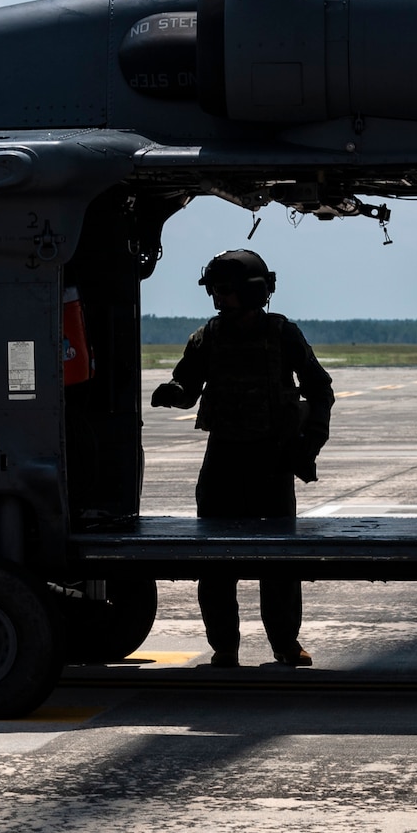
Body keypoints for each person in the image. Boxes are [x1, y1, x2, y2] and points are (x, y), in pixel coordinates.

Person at [150, 248, 334, 667]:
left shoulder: (282, 334)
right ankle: (224, 648)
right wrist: (172, 395)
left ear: (252, 293)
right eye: (214, 292)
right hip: (224, 461)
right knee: (214, 563)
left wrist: (312, 440)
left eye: (226, 292)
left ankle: (285, 643)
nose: (218, 300)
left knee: (279, 563)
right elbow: (188, 386)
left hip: (272, 461)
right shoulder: (207, 337)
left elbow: (320, 389)